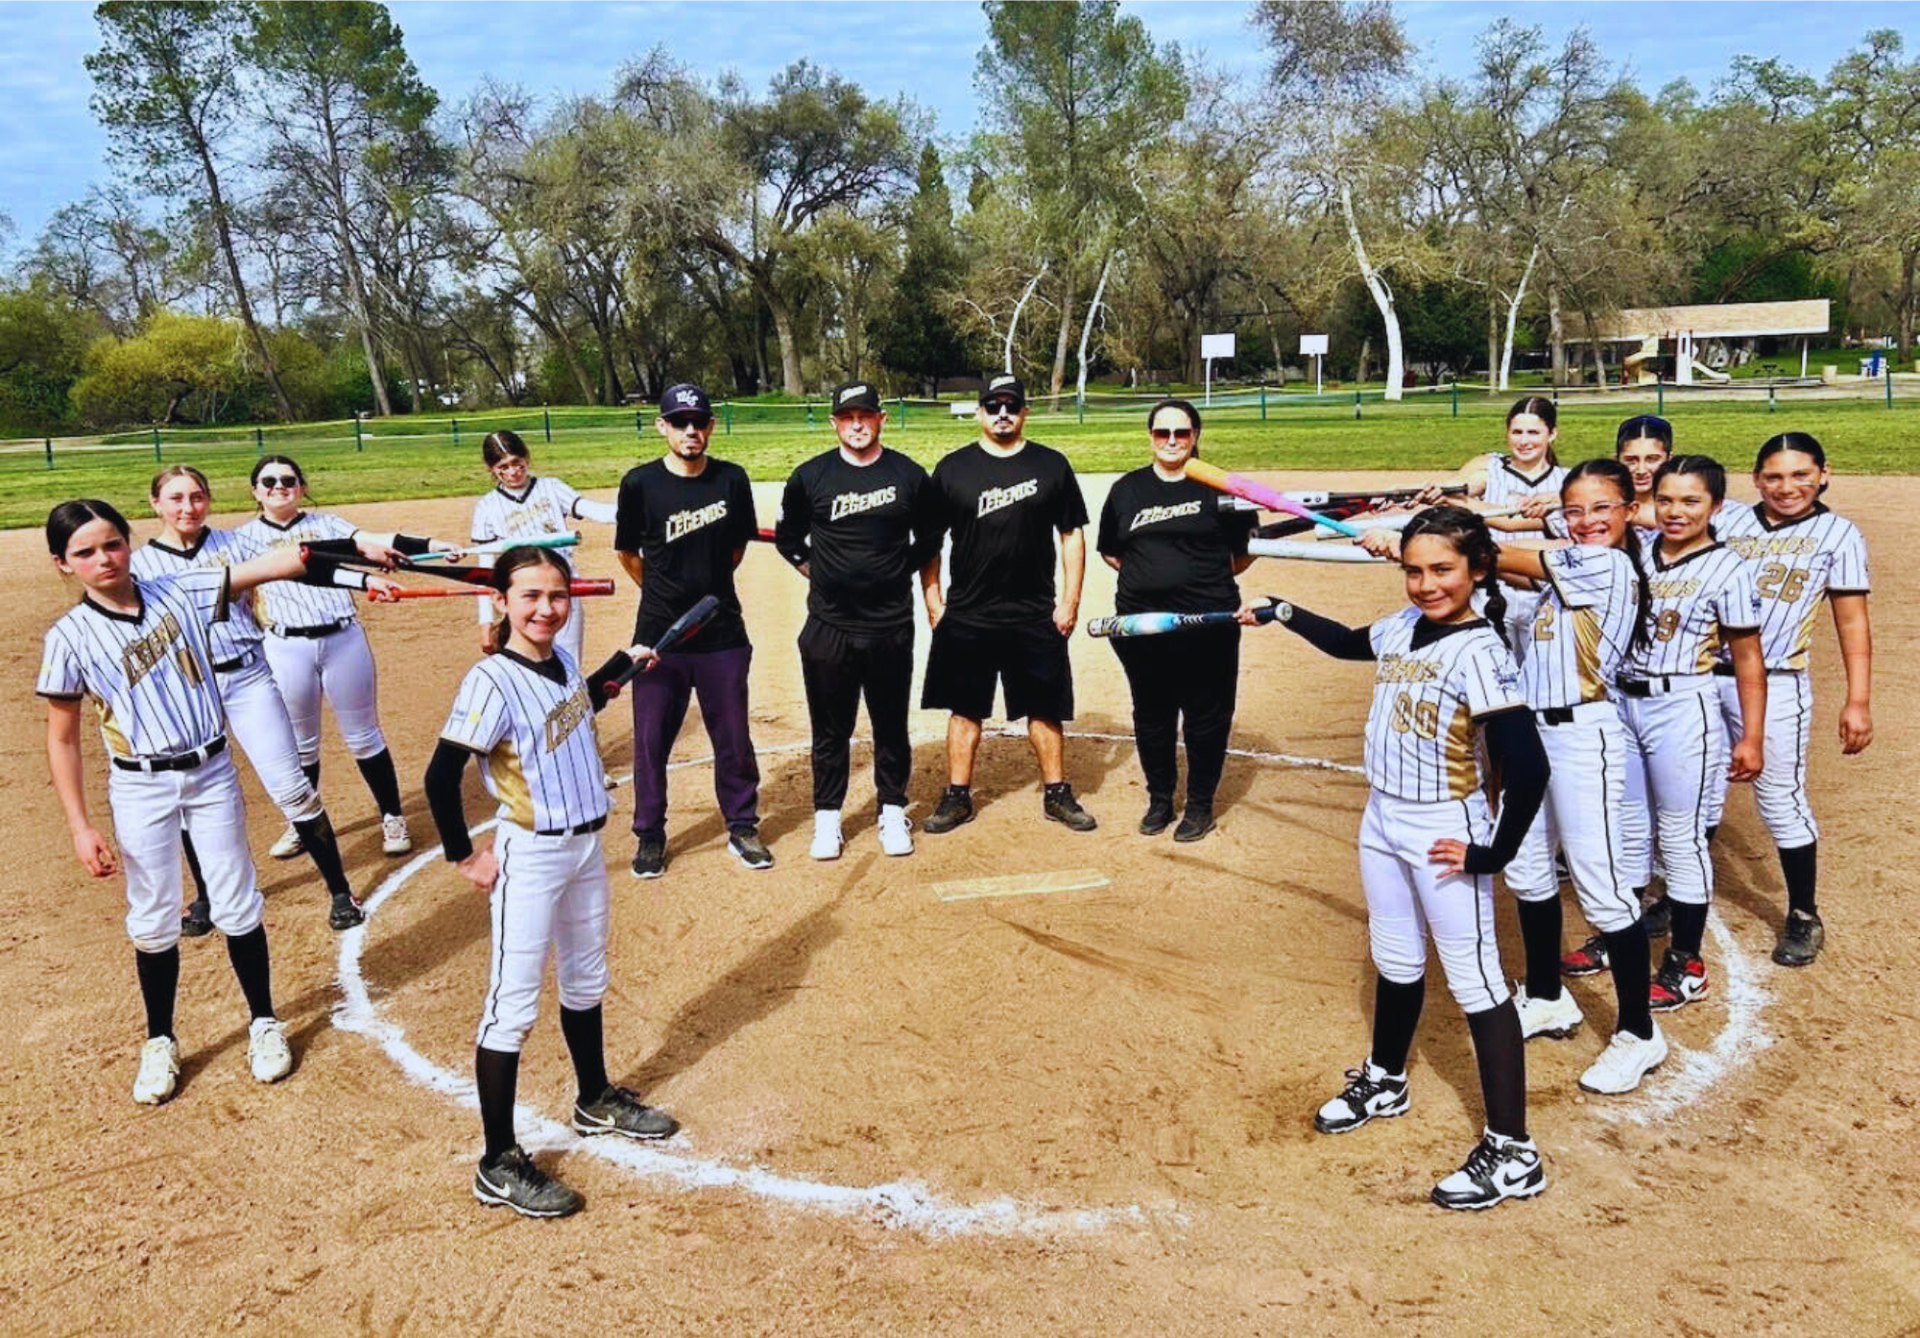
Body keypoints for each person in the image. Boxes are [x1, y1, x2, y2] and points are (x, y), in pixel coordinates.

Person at [1277, 507, 1550, 1210]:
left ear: (1478, 570)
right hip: (1383, 818)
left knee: (1478, 982)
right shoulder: (1401, 628)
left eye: (1442, 570)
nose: (1426, 584)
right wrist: (1282, 611)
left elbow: (1528, 763)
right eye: (1414, 571)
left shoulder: (1481, 651)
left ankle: (1514, 1151)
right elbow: (1344, 643)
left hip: (1443, 827)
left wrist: (1494, 852)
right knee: (1396, 957)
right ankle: (1386, 1078)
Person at [40, 499, 355, 1105]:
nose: (104, 559)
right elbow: (62, 738)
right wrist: (80, 826)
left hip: (210, 770)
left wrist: (362, 550)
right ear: (63, 564)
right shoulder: (69, 637)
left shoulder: (179, 590)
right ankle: (160, 1038)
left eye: (112, 543)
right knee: (154, 915)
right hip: (140, 784)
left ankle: (264, 1021)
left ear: (129, 542)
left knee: (236, 900)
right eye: (85, 552)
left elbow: (280, 563)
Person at [424, 546, 678, 1219]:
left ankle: (593, 1099)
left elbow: (571, 709)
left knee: (587, 978)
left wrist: (622, 667)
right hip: (531, 854)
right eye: (530, 596)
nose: (545, 608)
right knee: (512, 1004)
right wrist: (464, 855)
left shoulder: (560, 661)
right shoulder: (490, 679)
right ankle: (497, 1161)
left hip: (585, 848)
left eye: (557, 596)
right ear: (502, 603)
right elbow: (439, 777)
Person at [136, 465, 399, 935]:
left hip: (245, 678)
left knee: (293, 784)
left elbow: (306, 566)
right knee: (186, 790)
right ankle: (206, 896)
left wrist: (363, 575)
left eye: (196, 497)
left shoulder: (236, 545)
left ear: (209, 500)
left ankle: (340, 890)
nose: (187, 507)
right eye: (175, 499)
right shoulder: (141, 566)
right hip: (188, 688)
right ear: (156, 504)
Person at [1559, 457, 1767, 1005]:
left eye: (1692, 501)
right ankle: (1619, 933)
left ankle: (1686, 960)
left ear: (1716, 507)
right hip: (1621, 700)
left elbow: (1747, 657)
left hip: (1682, 705)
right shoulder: (1634, 550)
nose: (1676, 512)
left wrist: (1751, 735)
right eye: (1668, 500)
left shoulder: (1729, 567)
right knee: (1626, 828)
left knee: (1679, 835)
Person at [235, 455, 456, 859]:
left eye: (288, 479)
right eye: (268, 481)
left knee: (363, 735)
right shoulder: (241, 540)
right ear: (255, 491)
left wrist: (435, 546)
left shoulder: (328, 525)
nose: (279, 486)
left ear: (301, 487)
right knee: (302, 744)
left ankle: (392, 816)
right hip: (285, 647)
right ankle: (301, 822)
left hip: (342, 640)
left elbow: (377, 541)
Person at [1707, 432, 1872, 966]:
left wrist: (1858, 700)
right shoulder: (1726, 521)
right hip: (1704, 677)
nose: (1787, 486)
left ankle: (1803, 913)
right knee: (1692, 794)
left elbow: (1851, 620)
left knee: (1780, 799)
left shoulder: (1837, 534)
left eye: (1801, 474)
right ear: (1755, 479)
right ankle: (1672, 893)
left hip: (1777, 681)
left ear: (1824, 474)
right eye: (1774, 476)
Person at [918, 373, 1095, 834]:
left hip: (1034, 611)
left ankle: (1056, 793)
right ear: (979, 412)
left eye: (1011, 407)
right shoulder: (953, 469)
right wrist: (934, 599)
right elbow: (930, 541)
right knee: (964, 708)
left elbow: (1072, 534)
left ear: (1024, 413)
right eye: (993, 406)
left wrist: (1070, 600)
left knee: (1045, 707)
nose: (1002, 414)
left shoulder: (1051, 465)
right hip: (969, 612)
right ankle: (957, 797)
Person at [773, 380, 938, 860]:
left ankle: (891, 811)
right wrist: (820, 573)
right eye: (848, 417)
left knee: (889, 725)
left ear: (881, 418)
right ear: (835, 423)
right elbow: (789, 539)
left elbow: (928, 539)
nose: (858, 424)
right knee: (830, 729)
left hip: (889, 624)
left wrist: (893, 572)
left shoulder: (909, 476)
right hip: (829, 626)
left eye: (866, 415)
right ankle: (828, 819)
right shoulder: (810, 477)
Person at [614, 383, 768, 877]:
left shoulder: (731, 479)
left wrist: (707, 595)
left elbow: (736, 549)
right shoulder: (639, 483)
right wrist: (663, 597)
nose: (690, 431)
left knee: (733, 736)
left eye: (699, 422)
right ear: (662, 426)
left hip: (721, 631)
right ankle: (650, 834)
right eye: (680, 422)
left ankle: (742, 825)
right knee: (651, 740)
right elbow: (628, 553)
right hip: (658, 637)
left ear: (710, 427)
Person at [1095, 399, 1259, 842]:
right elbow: (1113, 551)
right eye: (1161, 433)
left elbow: (1243, 554)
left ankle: (1200, 806)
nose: (1171, 442)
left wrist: (1196, 584)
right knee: (1152, 713)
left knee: (1206, 715)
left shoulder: (1224, 489)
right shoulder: (1127, 490)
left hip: (1208, 623)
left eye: (1181, 433)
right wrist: (1151, 580)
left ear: (1195, 436)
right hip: (1141, 624)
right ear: (1150, 437)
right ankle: (1160, 799)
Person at [469, 429, 619, 662]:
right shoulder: (487, 507)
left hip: (563, 587)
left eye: (517, 463)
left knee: (568, 662)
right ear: (491, 469)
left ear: (526, 458)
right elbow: (485, 572)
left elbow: (593, 510)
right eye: (503, 467)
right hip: (522, 595)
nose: (512, 472)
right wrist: (486, 623)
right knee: (529, 665)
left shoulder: (551, 488)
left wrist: (635, 511)